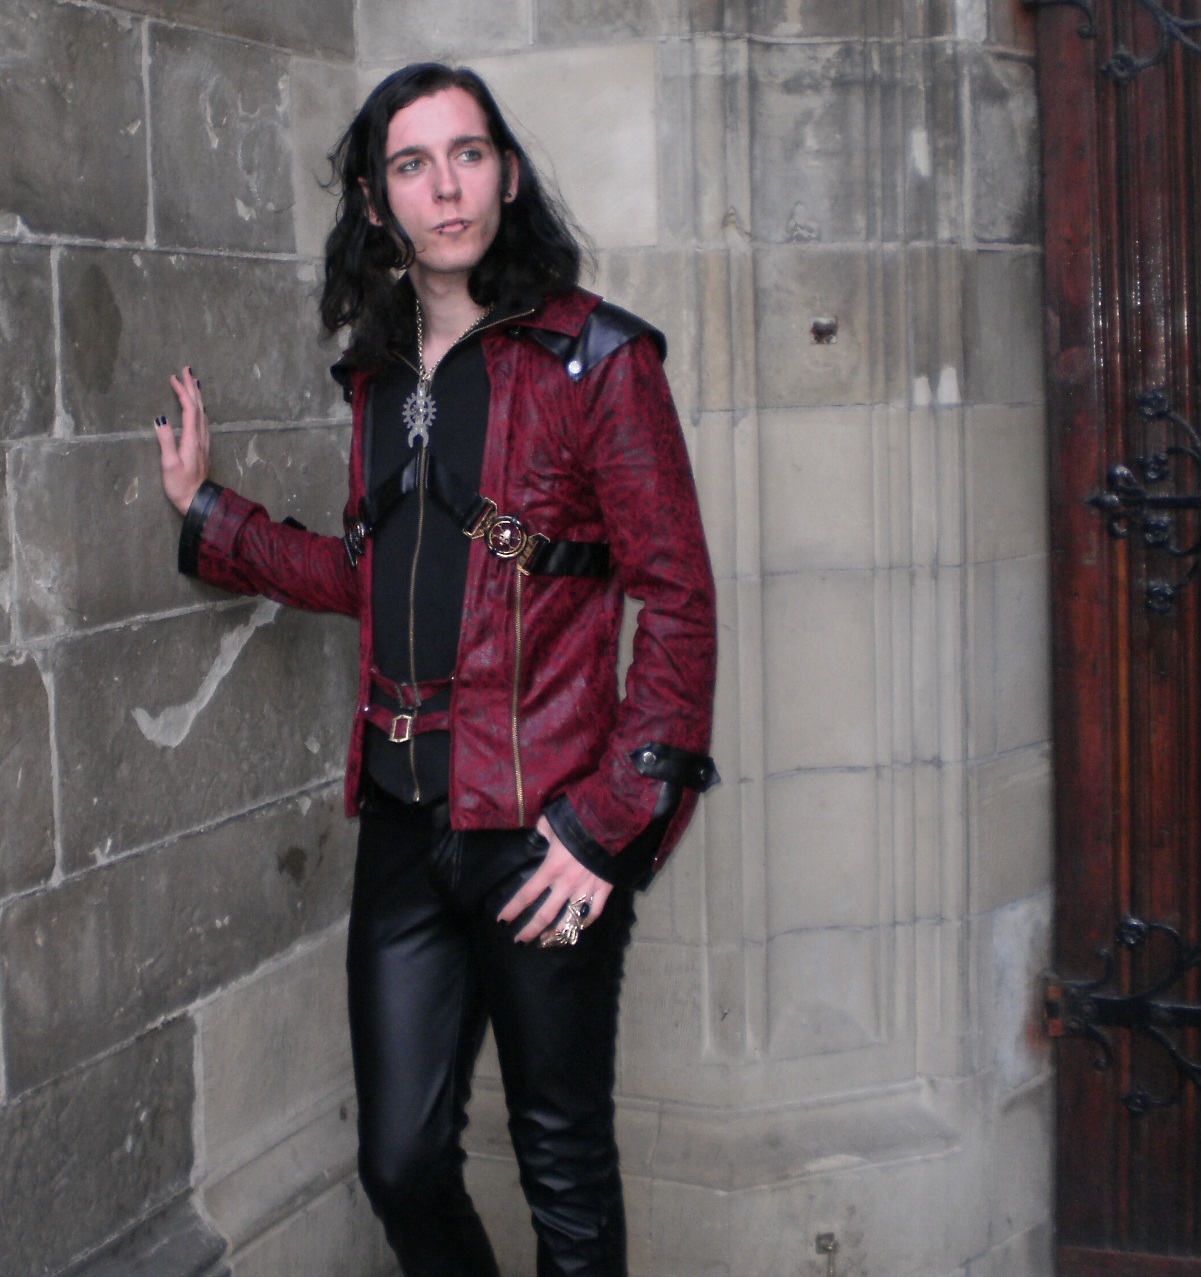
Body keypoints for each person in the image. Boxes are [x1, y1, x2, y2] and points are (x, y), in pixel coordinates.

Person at [155, 62, 717, 1277]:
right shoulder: (379, 373)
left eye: (467, 155)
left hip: (545, 824)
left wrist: (609, 821)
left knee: (563, 1167)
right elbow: (375, 575)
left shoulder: (597, 358)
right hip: (407, 821)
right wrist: (210, 516)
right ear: (376, 199)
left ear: (506, 176)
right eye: (411, 164)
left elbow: (676, 596)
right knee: (400, 1162)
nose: (445, 186)